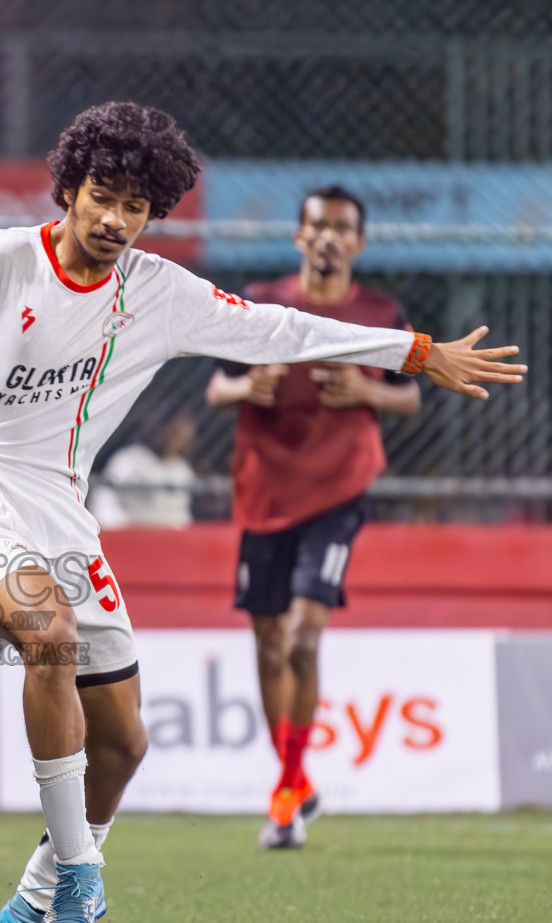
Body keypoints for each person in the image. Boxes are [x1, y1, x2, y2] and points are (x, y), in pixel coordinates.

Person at [0, 103, 525, 923]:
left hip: (63, 513)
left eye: (135, 206)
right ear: (68, 187)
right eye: (101, 195)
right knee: (47, 635)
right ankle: (81, 880)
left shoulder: (157, 294)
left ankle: (31, 911)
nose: (114, 220)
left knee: (126, 741)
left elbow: (276, 328)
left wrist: (414, 351)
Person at [204, 185, 421, 851]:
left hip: (337, 492)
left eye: (342, 228)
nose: (328, 237)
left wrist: (367, 391)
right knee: (269, 644)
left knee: (302, 637)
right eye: (317, 226)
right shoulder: (262, 303)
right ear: (300, 236)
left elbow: (412, 393)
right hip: (265, 490)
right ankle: (294, 782)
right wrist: (248, 386)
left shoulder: (379, 314)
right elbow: (216, 384)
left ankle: (287, 791)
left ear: (358, 243)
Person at [88, 412, 197, 529]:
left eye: (183, 439)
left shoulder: (182, 471)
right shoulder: (129, 458)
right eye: (174, 434)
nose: (177, 442)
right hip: (128, 533)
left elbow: (181, 515)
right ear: (161, 429)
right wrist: (119, 528)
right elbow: (103, 498)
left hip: (166, 538)